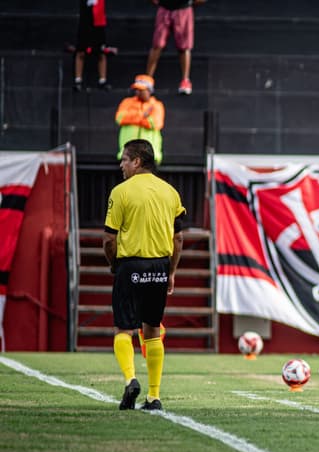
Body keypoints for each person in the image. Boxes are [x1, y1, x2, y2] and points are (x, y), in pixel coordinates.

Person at [104, 139, 186, 411]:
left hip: (130, 265)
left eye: (125, 159)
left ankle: (130, 379)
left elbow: (108, 239)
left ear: (137, 161)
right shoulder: (171, 192)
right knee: (152, 329)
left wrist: (114, 264)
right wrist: (172, 271)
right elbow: (178, 239)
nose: (121, 164)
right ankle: (154, 396)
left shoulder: (121, 191)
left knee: (123, 329)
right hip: (160, 267)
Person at [145, 0, 206, 95]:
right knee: (157, 45)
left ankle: (185, 80)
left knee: (184, 47)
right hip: (164, 8)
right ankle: (147, 79)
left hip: (183, 9)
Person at [115, 75, 165, 164]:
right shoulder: (127, 102)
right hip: (128, 155)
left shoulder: (157, 105)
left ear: (149, 91)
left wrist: (133, 118)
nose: (137, 92)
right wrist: (143, 115)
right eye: (136, 89)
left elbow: (156, 124)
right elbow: (120, 118)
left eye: (141, 90)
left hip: (150, 156)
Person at [73, 0, 111, 92]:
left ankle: (102, 81)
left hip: (98, 23)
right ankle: (78, 81)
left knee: (101, 52)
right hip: (85, 22)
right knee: (81, 51)